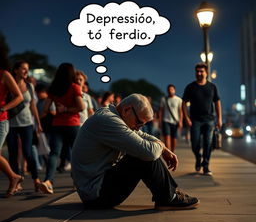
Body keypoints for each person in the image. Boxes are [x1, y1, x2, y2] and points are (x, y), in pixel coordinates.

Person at [71, 93, 199, 210]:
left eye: (142, 125)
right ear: (127, 110)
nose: (139, 127)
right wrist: (160, 146)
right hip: (96, 195)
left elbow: (140, 134)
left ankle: (170, 195)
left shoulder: (113, 115)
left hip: (96, 189)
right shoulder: (108, 121)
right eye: (138, 122)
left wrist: (164, 148)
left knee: (146, 149)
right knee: (143, 154)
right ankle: (168, 198)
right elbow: (149, 153)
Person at [39, 63, 85, 194]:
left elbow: (45, 108)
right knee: (76, 154)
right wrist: (67, 109)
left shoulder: (53, 89)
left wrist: (58, 109)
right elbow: (81, 107)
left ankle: (48, 181)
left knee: (54, 153)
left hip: (57, 124)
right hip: (72, 124)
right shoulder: (75, 87)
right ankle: (77, 181)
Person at [7, 61, 42, 192]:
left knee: (28, 152)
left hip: (27, 123)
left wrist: (38, 123)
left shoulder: (29, 86)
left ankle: (36, 180)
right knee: (13, 153)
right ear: (15, 70)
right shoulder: (8, 85)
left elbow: (32, 105)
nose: (26, 71)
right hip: (10, 123)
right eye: (23, 69)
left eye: (27, 69)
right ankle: (17, 181)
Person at [182, 63, 222, 175]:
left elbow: (217, 102)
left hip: (209, 120)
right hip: (195, 120)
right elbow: (183, 103)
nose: (199, 73)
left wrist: (219, 119)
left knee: (208, 143)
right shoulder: (190, 87)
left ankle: (206, 166)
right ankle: (198, 157)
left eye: (201, 71)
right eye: (197, 71)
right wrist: (186, 118)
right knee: (195, 144)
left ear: (206, 73)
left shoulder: (212, 87)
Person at [0, 68, 24, 197]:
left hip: (1, 121)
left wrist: (3, 108)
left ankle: (14, 177)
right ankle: (14, 177)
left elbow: (19, 97)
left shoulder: (4, 74)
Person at [159, 85, 183, 152]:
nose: (170, 91)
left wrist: (180, 121)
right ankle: (169, 152)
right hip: (166, 120)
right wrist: (160, 121)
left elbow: (180, 112)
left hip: (175, 122)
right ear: (167, 90)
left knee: (174, 138)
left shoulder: (178, 100)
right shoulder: (163, 99)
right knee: (167, 137)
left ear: (174, 90)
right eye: (169, 89)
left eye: (172, 89)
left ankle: (172, 151)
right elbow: (161, 111)